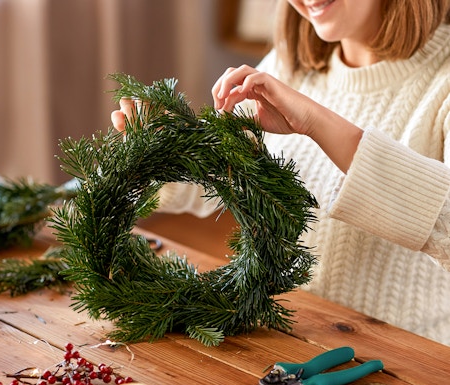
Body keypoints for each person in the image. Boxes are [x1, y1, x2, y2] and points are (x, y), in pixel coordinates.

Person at [112, 0, 450, 345]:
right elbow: (227, 175)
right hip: (288, 341)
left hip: (408, 362)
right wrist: (166, 149)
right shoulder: (290, 65)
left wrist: (317, 123)